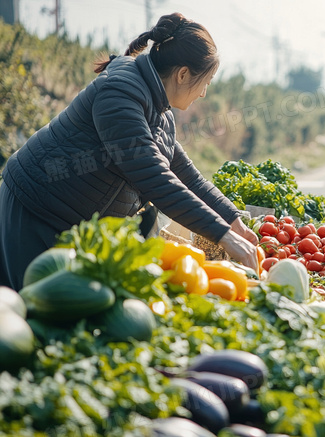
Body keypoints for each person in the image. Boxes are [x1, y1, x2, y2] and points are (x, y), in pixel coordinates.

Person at [0, 13, 259, 290]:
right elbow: (154, 176)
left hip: (71, 221)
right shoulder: (119, 92)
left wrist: (234, 223)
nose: (205, 93)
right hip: (36, 212)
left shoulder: (160, 110)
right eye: (206, 81)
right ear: (183, 74)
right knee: (34, 314)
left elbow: (188, 178)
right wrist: (223, 236)